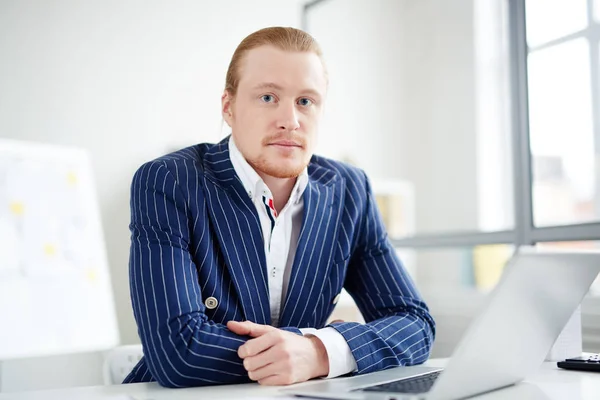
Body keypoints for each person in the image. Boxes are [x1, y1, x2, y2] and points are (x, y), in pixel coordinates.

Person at [123, 26, 435, 388]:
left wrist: (319, 352)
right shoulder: (168, 181)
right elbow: (178, 352)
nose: (291, 119)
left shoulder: (350, 190)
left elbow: (414, 324)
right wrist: (309, 351)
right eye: (268, 97)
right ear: (229, 107)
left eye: (306, 101)